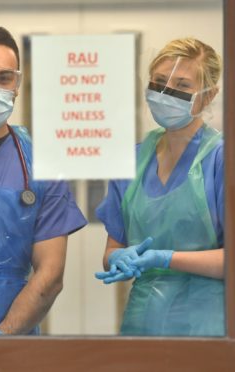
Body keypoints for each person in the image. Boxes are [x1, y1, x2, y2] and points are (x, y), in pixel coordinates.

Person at [0, 25, 87, 336]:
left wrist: (1, 338)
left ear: (17, 84)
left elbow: (50, 274)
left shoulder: (41, 162)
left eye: (4, 78)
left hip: (15, 340)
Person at [95, 38, 224, 336]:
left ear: (208, 95)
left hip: (206, 325)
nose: (166, 94)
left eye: (181, 86)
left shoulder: (220, 159)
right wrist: (118, 257)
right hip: (142, 323)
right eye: (159, 83)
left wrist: (165, 258)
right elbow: (113, 248)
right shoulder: (133, 159)